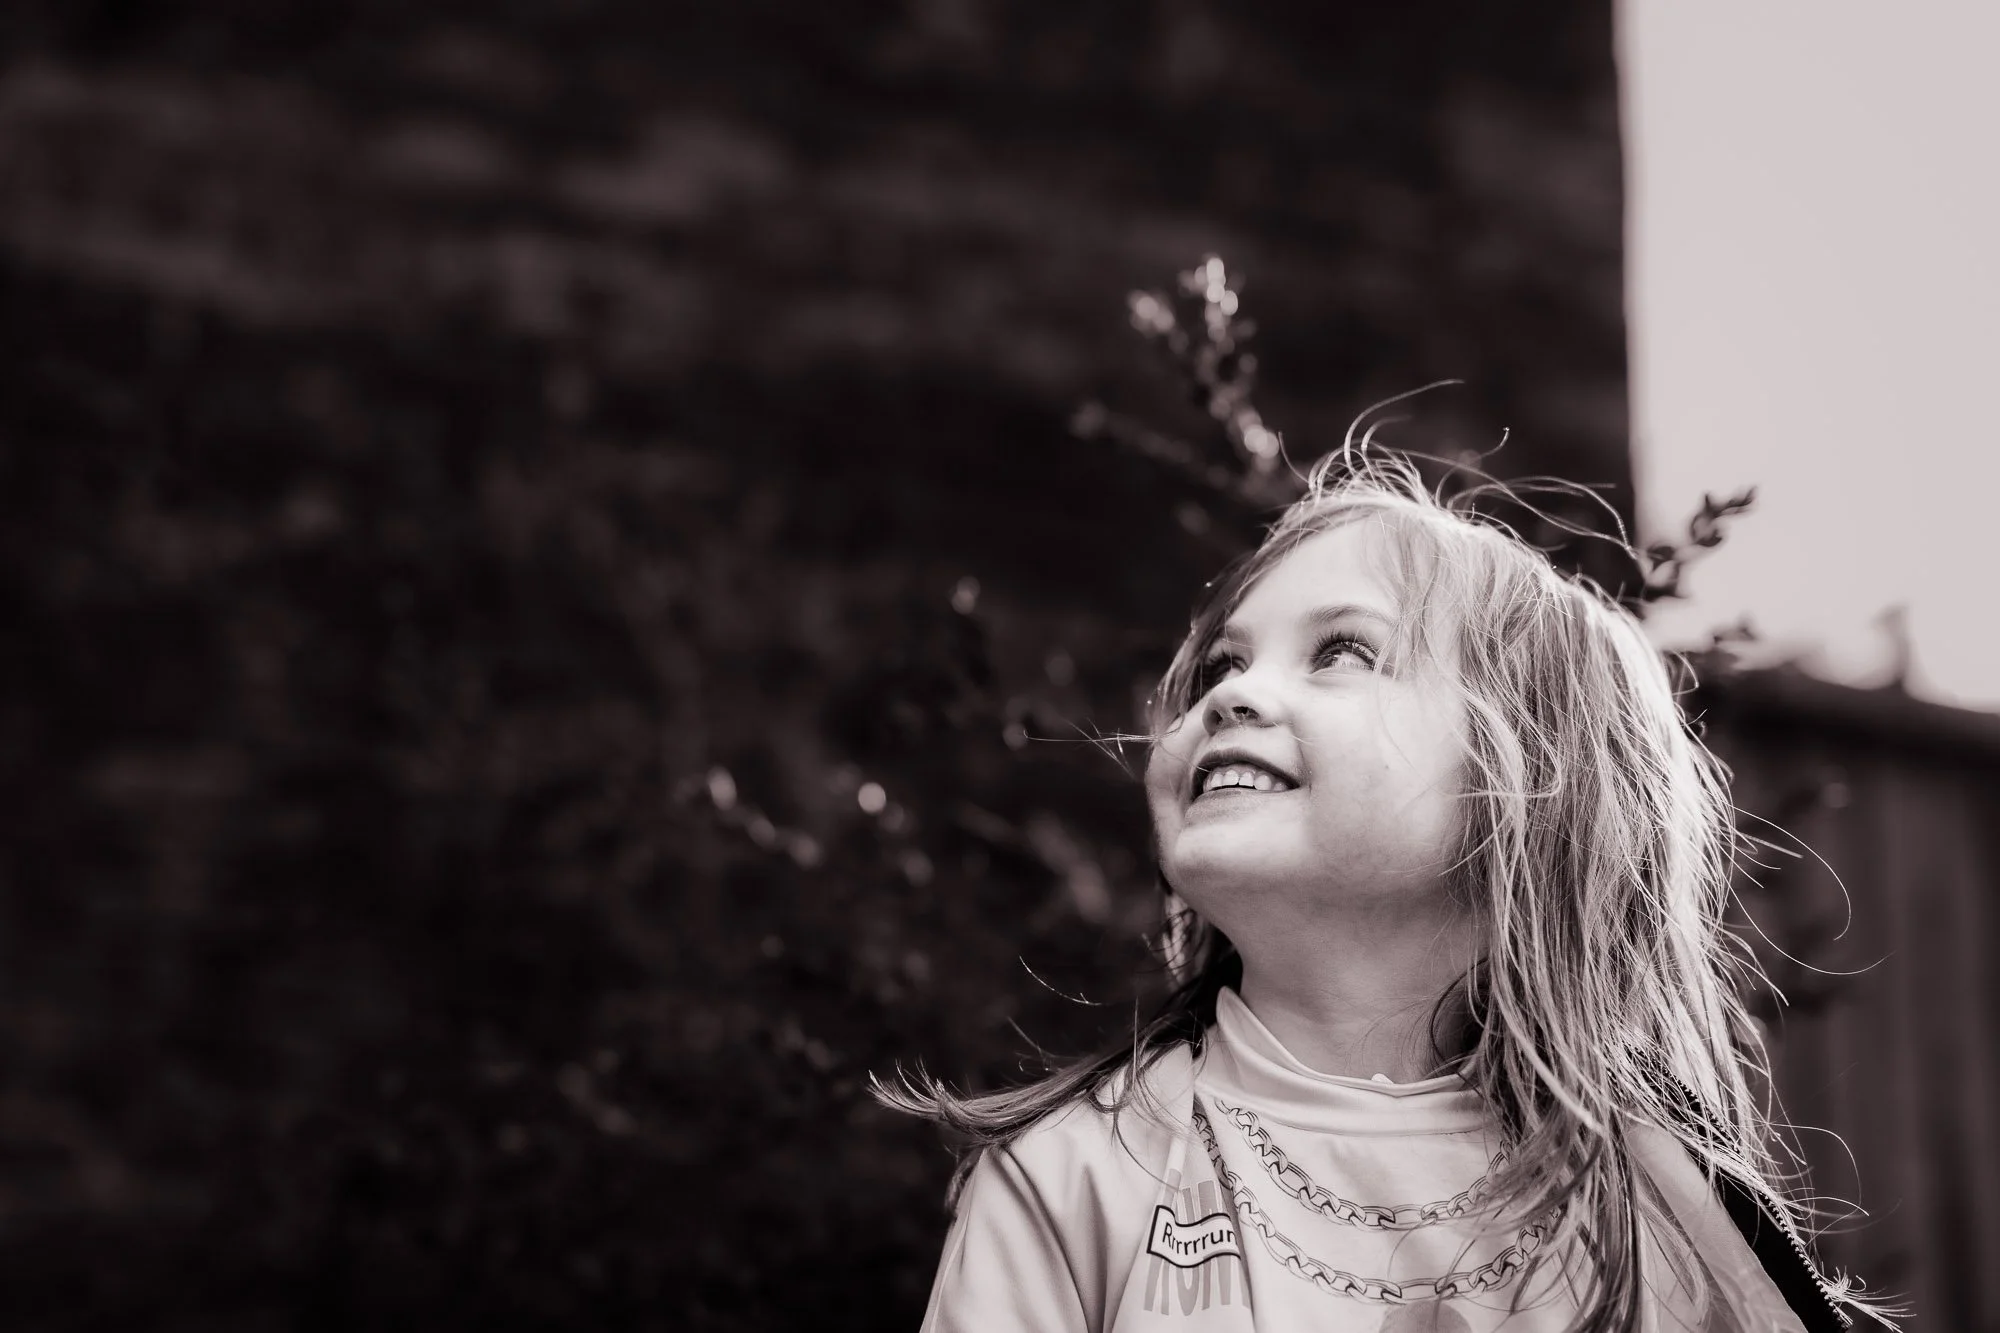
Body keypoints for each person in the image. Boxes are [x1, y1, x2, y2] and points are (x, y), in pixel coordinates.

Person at [879, 447, 1895, 1332]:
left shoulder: (1650, 1211)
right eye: (1222, 664)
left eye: (1340, 652)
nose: (1231, 691)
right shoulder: (1075, 1173)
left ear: (1519, 786)